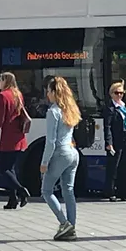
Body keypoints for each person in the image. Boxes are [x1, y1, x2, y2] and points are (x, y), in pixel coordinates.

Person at [40, 76, 80, 241]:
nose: (47, 94)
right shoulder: (70, 109)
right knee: (68, 191)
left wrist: (44, 162)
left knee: (46, 190)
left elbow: (50, 142)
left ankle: (64, 223)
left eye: (48, 91)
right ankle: (72, 226)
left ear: (54, 93)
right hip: (73, 153)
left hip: (60, 153)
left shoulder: (53, 111)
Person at [0, 72, 29, 210]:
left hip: (8, 138)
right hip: (19, 137)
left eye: (0, 79)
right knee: (11, 168)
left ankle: (21, 191)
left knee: (3, 169)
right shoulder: (18, 94)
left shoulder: (2, 96)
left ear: (6, 81)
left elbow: (0, 120)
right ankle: (12, 200)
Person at [103, 81, 126, 202]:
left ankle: (123, 192)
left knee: (124, 166)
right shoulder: (110, 108)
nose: (119, 95)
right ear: (111, 94)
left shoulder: (123, 106)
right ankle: (110, 192)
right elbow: (108, 127)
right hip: (116, 141)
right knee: (113, 167)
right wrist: (109, 143)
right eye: (117, 93)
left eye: (121, 93)